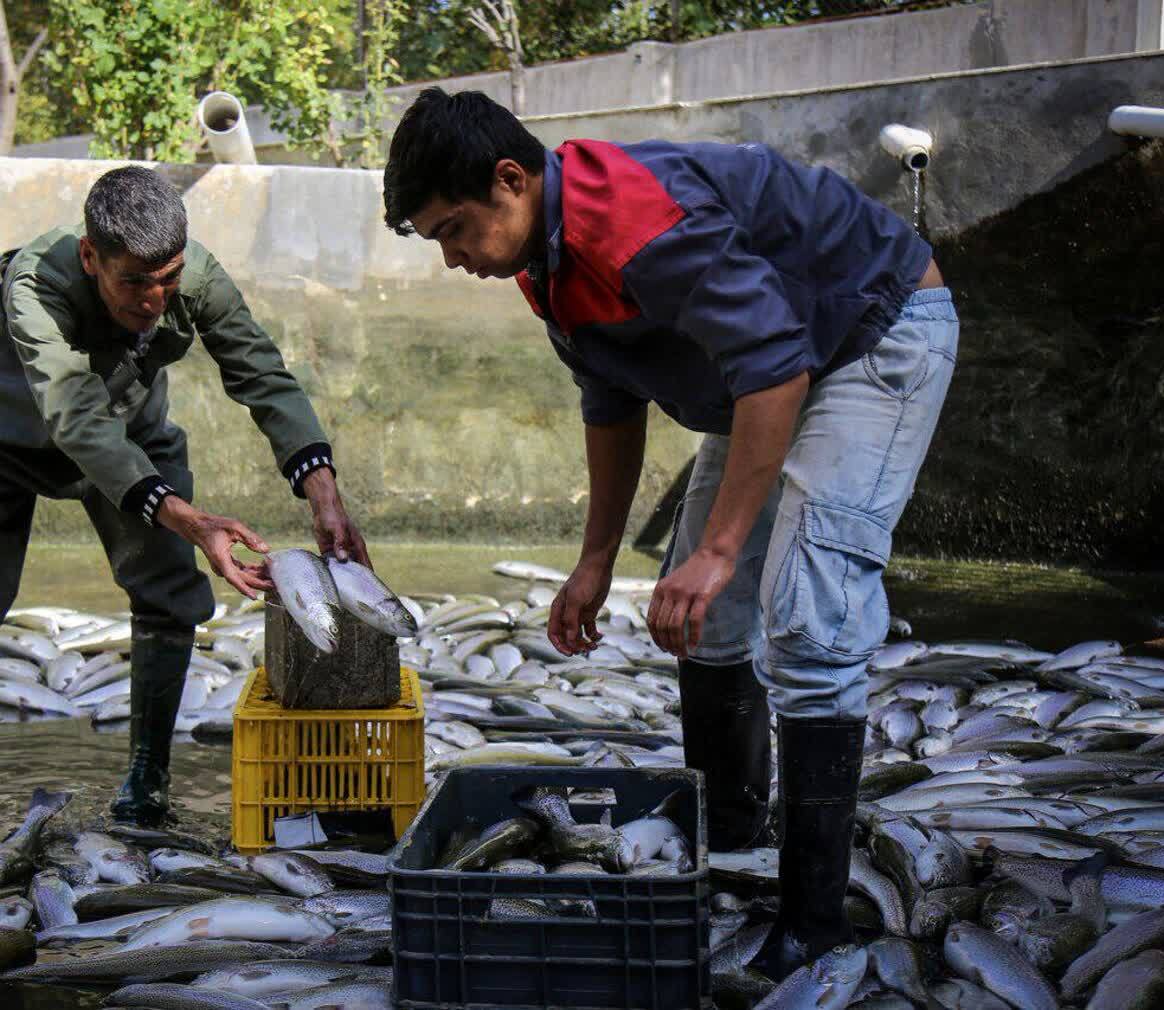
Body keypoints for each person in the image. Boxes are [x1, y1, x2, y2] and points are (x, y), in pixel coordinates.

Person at [382, 88, 957, 981]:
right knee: (707, 618)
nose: (454, 259)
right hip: (767, 369)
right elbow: (612, 402)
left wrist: (720, 552)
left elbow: (775, 371)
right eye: (437, 242)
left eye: (454, 231)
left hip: (873, 333)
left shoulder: (632, 222)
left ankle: (814, 924)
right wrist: (595, 560)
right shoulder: (546, 266)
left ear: (511, 180)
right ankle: (730, 840)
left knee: (807, 620)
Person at [0, 166, 368, 827]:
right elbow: (75, 416)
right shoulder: (34, 283)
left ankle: (148, 776)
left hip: (132, 436)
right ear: (90, 257)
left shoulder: (196, 275)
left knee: (171, 593)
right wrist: (190, 519)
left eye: (166, 280)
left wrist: (323, 492)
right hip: (11, 438)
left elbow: (260, 372)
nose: (153, 300)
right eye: (133, 282)